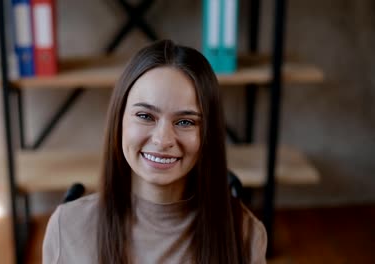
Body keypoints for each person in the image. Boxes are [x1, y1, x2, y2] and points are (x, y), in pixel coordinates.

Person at [43, 40, 267, 264]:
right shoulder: (67, 228)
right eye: (145, 116)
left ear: (208, 133)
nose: (162, 140)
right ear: (119, 120)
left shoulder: (246, 235)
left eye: (185, 121)